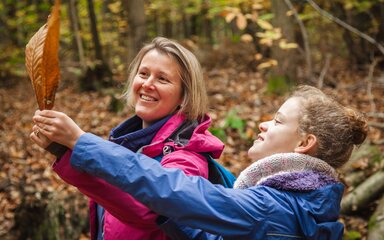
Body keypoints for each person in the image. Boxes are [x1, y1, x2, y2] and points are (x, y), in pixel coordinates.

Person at [33, 86, 367, 238]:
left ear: (305, 143)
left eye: (278, 121)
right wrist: (69, 154)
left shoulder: (271, 207)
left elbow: (172, 189)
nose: (264, 124)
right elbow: (200, 230)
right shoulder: (302, 202)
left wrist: (82, 142)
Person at [30, 37, 228, 240]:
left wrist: (79, 141)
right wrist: (64, 150)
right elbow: (112, 191)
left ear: (183, 96)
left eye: (162, 79)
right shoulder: (128, 144)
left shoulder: (187, 157)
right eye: (143, 74)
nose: (147, 84)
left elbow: (152, 208)